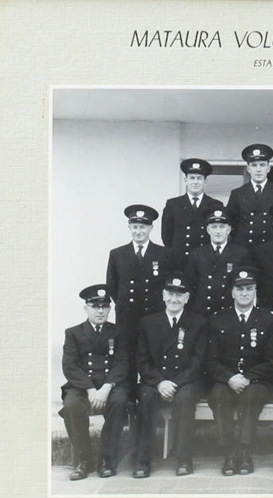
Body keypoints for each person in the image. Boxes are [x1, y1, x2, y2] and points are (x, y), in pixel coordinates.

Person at [207, 267, 273, 476]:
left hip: (256, 380)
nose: (244, 294)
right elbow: (211, 360)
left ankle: (245, 451)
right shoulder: (218, 319)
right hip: (226, 378)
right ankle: (229, 453)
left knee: (251, 396)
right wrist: (230, 378)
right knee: (218, 395)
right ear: (232, 292)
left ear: (255, 291)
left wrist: (248, 377)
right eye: (239, 290)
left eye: (249, 289)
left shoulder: (268, 319)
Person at [135, 273, 209, 478]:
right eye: (170, 294)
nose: (174, 299)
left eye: (180, 295)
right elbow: (142, 360)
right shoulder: (148, 322)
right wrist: (160, 383)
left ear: (187, 298)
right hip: (155, 381)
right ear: (163, 296)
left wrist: (174, 384)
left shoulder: (198, 323)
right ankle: (143, 460)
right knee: (146, 397)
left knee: (185, 398)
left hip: (186, 382)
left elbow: (198, 362)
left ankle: (184, 459)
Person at [59, 284, 130, 480]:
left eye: (105, 307)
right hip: (83, 386)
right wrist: (90, 389)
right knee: (71, 405)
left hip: (110, 385)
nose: (100, 311)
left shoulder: (118, 332)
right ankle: (84, 460)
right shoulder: (73, 333)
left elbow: (122, 363)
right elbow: (70, 366)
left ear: (109, 309)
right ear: (86, 309)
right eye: (95, 307)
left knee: (120, 401)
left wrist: (106, 387)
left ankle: (107, 459)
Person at [105, 204, 173, 381]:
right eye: (135, 227)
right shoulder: (117, 254)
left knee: (153, 355)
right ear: (129, 228)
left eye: (143, 227)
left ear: (151, 228)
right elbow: (112, 286)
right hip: (127, 316)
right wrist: (125, 303)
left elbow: (168, 285)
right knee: (127, 356)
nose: (138, 231)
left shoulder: (164, 254)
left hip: (153, 314)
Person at [184, 206, 250, 317]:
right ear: (208, 230)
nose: (218, 231)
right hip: (202, 312)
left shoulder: (241, 253)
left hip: (228, 313)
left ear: (229, 229)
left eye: (222, 227)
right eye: (214, 227)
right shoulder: (196, 254)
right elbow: (191, 286)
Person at [161, 158, 223, 268]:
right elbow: (167, 236)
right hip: (180, 261)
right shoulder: (173, 204)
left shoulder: (215, 205)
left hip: (205, 261)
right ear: (185, 180)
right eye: (192, 178)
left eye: (199, 178)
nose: (195, 182)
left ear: (205, 181)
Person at [226, 144, 273, 249]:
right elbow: (230, 223)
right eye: (254, 165)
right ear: (248, 168)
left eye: (262, 165)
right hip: (244, 248)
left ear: (268, 168)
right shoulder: (238, 194)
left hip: (269, 249)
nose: (258, 170)